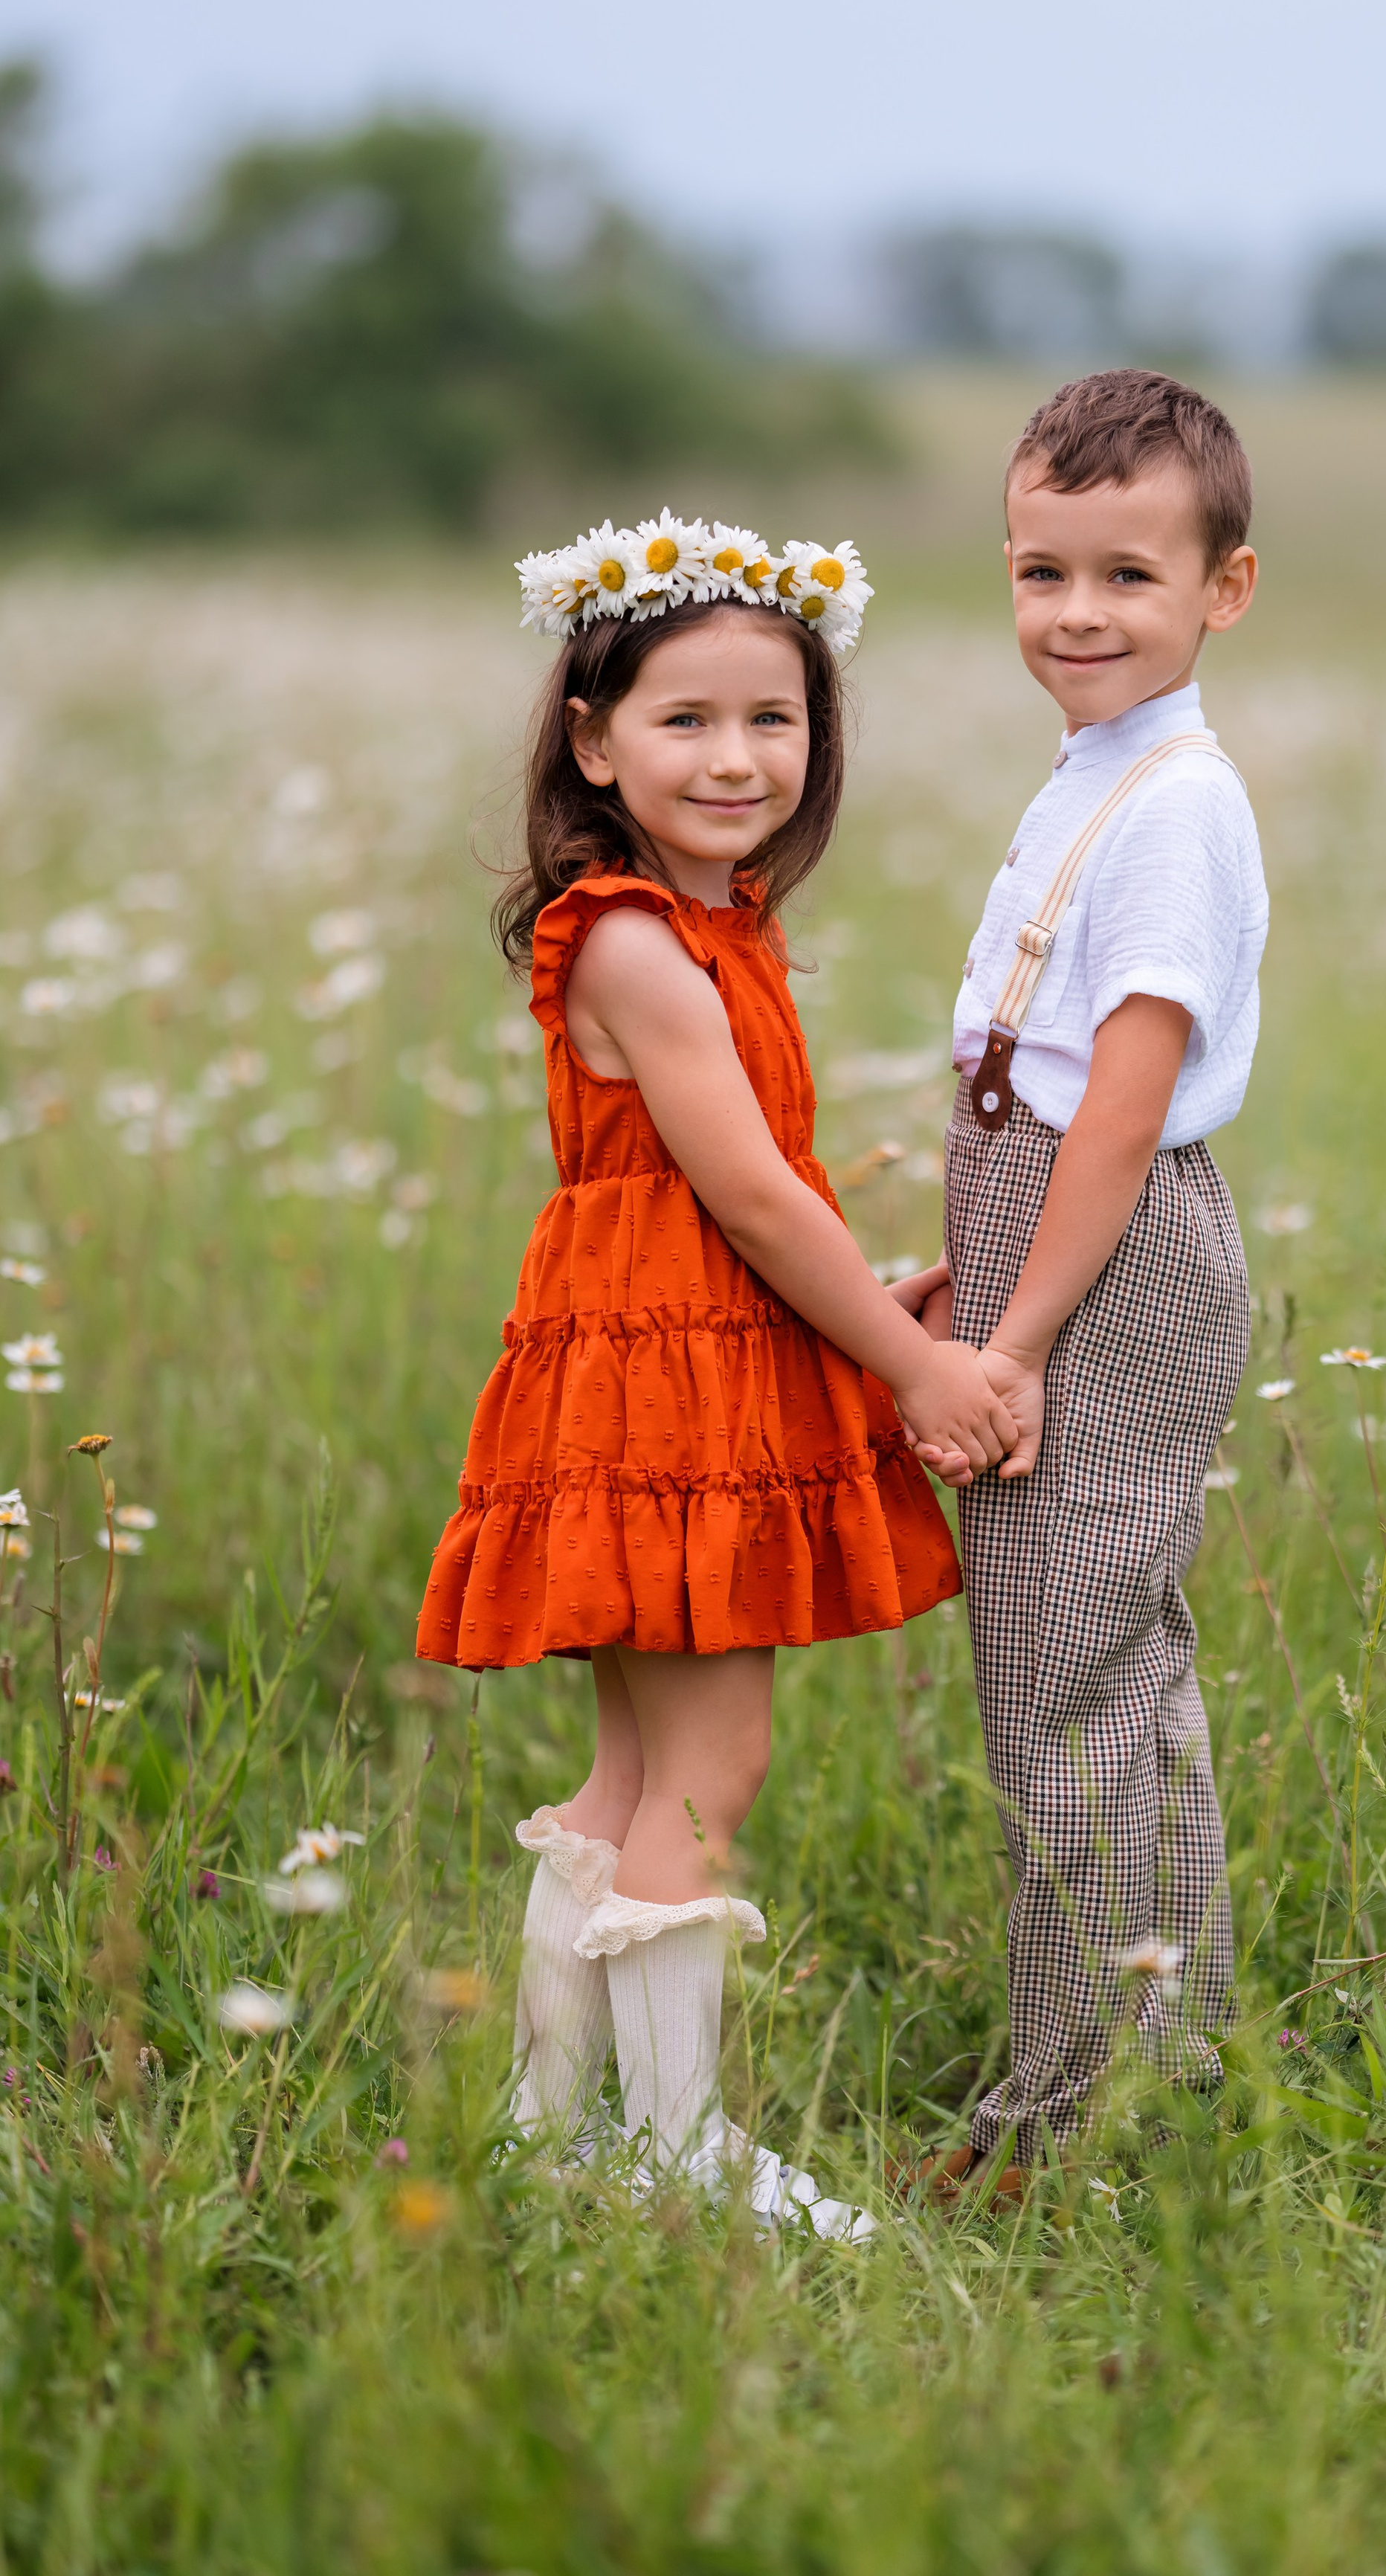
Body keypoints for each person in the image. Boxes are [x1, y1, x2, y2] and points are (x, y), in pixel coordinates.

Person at [417, 512, 1016, 2234]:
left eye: (775, 717)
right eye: (684, 718)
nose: (736, 755)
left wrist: (853, 1306)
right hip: (656, 1396)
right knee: (708, 1766)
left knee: (629, 1778)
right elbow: (744, 1195)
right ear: (593, 741)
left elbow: (729, 1207)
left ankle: (546, 2134)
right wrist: (907, 1364)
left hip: (683, 1359)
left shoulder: (712, 923)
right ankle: (678, 2154)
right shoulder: (627, 936)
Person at [895, 373, 1267, 2187]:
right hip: (1046, 1237)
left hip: (1100, 1264)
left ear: (1223, 590)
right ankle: (1163, 2069)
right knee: (1109, 1670)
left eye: (1128, 574)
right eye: (1043, 571)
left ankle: (1062, 2116)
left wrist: (1019, 1335)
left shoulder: (1176, 803)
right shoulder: (1096, 771)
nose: (1077, 613)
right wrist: (964, 1270)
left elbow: (1117, 1109)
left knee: (1063, 1689)